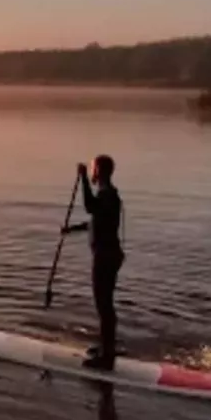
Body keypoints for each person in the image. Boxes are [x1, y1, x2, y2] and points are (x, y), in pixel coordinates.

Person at [64, 155, 124, 370]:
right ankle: (106, 347)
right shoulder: (106, 196)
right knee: (104, 305)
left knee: (104, 305)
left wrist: (81, 179)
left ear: (98, 171)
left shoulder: (108, 195)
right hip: (107, 256)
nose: (90, 172)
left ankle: (107, 356)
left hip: (106, 257)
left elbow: (90, 207)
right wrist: (71, 229)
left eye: (91, 169)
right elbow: (94, 220)